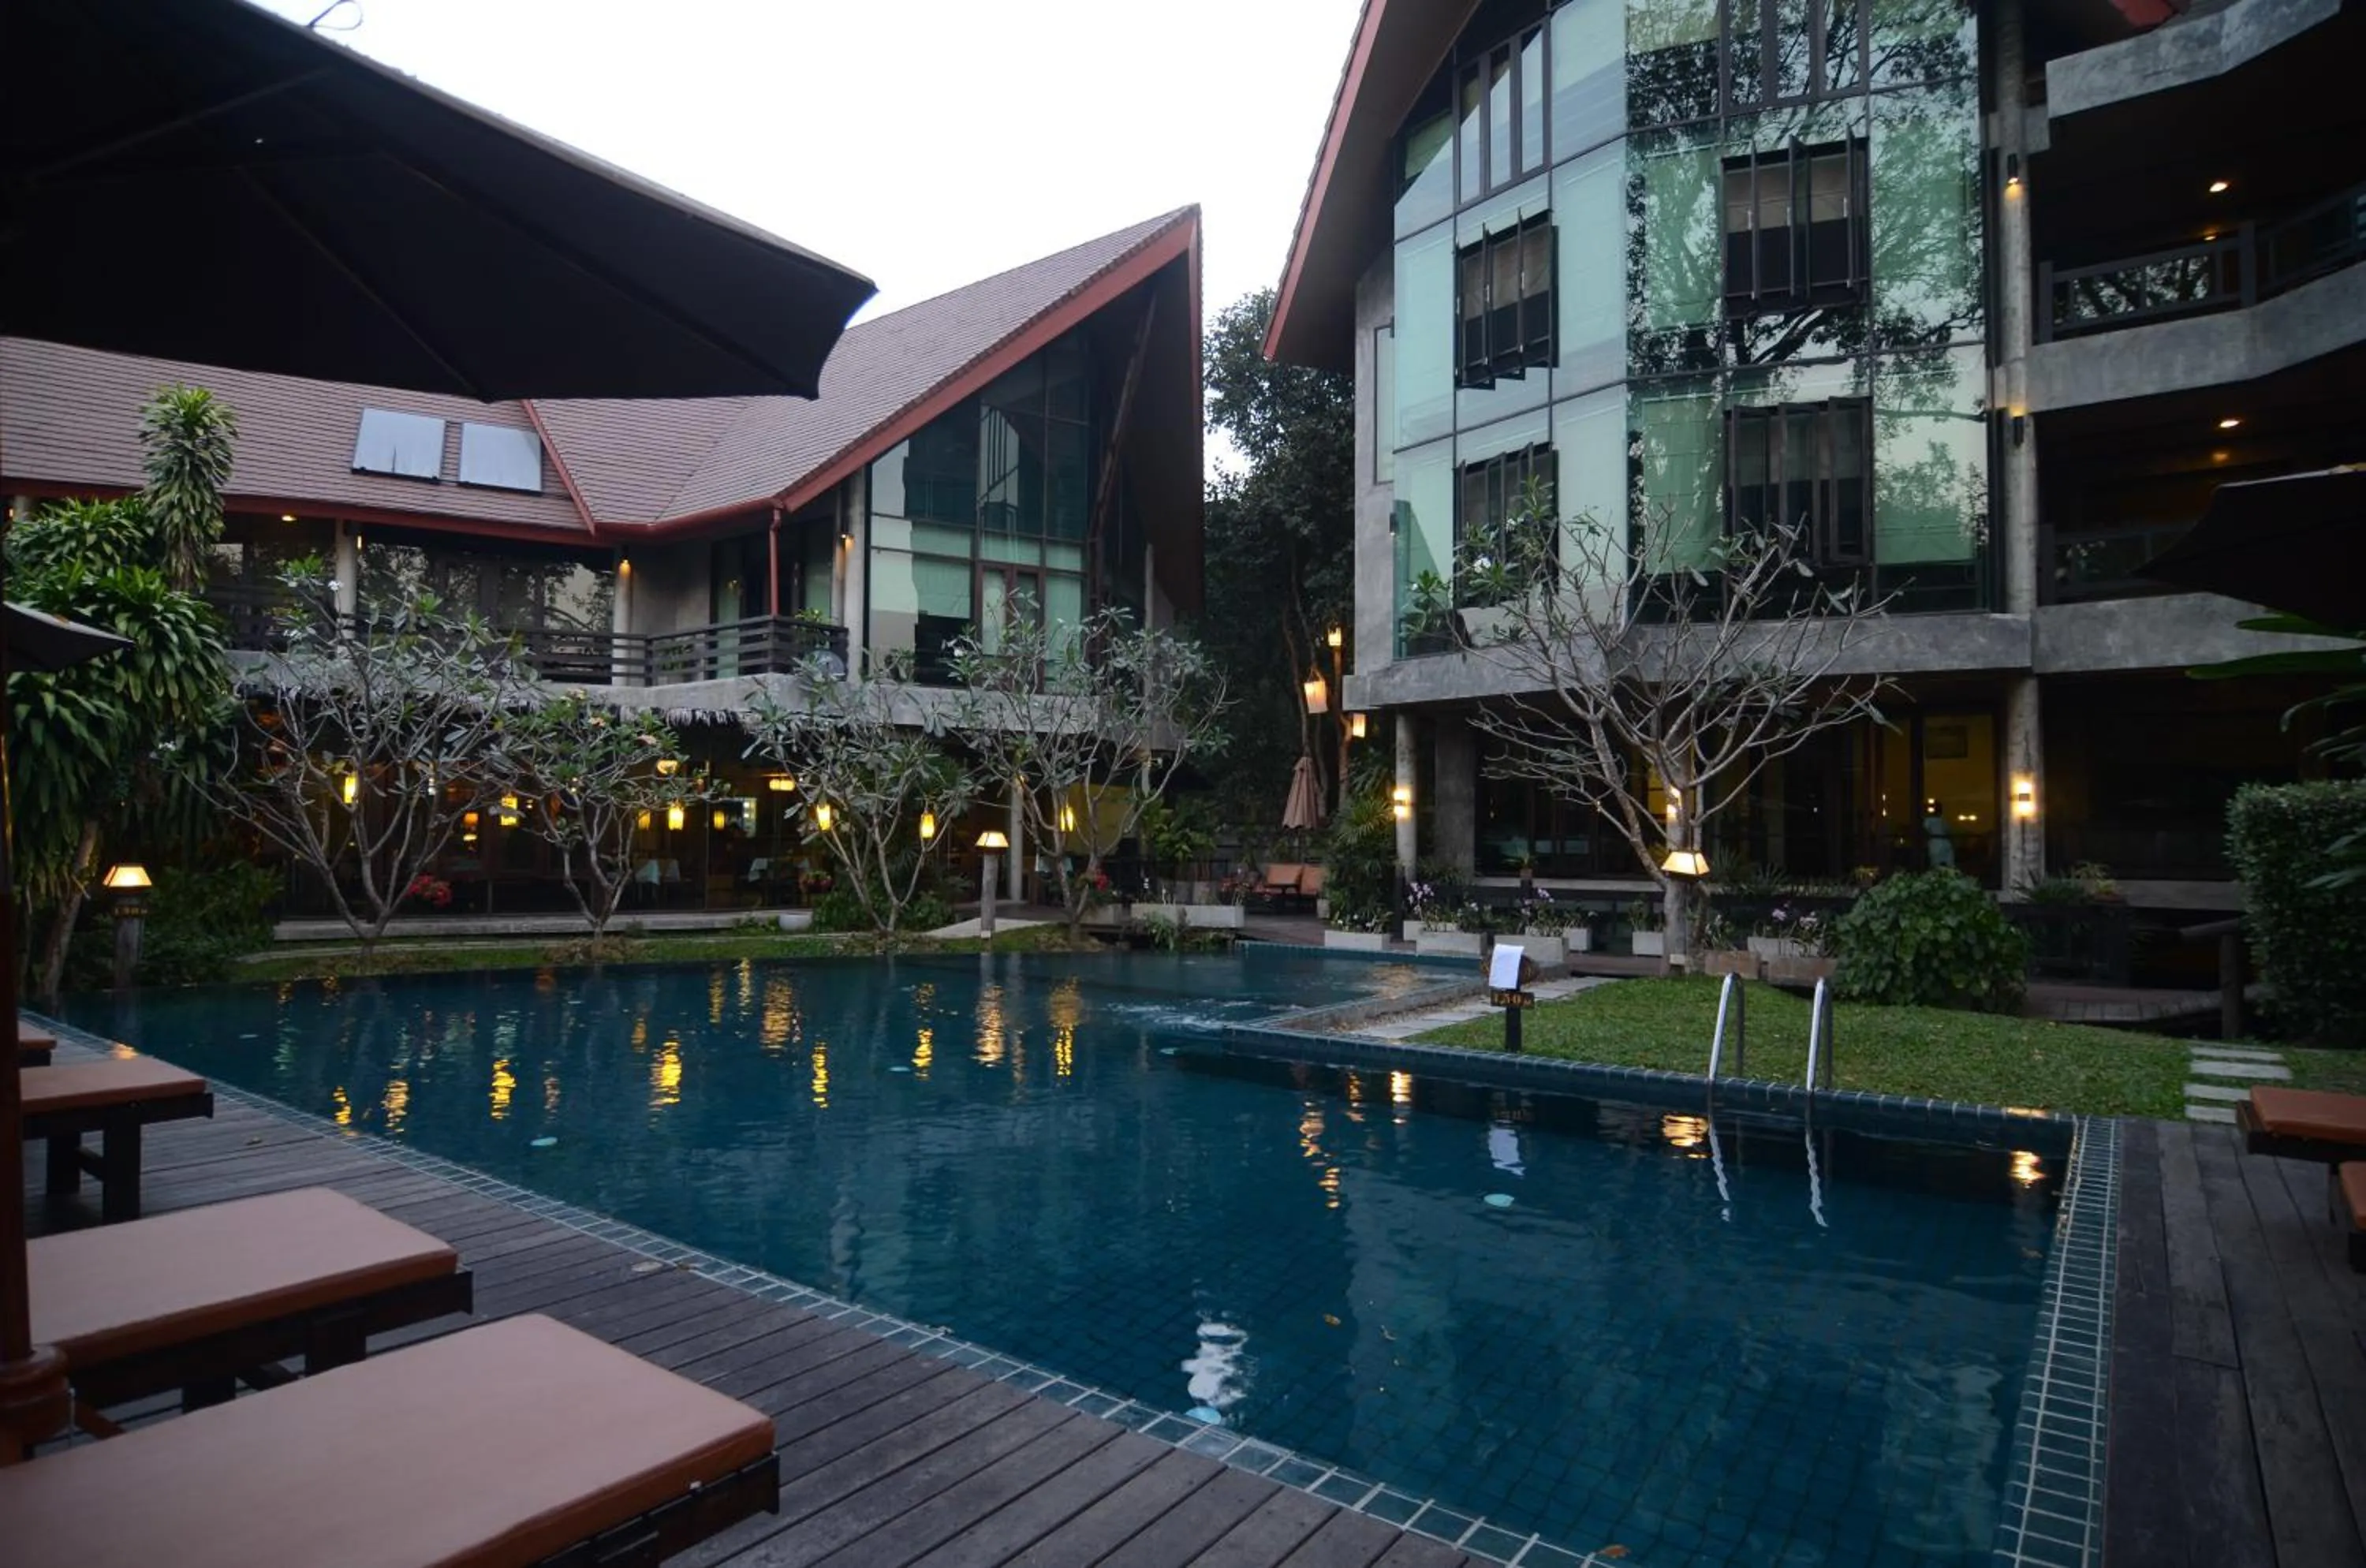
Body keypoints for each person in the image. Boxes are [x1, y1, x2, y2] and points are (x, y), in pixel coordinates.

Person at [1922, 798, 1956, 871]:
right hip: (1942, 843)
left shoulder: (1930, 821)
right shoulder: (1942, 820)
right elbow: (1949, 831)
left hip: (1937, 844)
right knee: (1945, 866)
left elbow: (1925, 831)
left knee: (1938, 865)